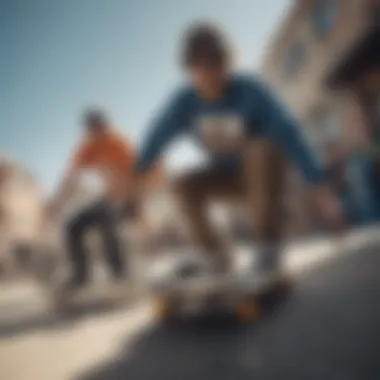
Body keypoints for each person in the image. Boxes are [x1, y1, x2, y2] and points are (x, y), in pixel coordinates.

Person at [133, 22, 342, 282]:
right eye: (200, 68)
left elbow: (289, 133)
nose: (209, 76)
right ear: (189, 70)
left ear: (227, 63)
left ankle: (268, 246)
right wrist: (136, 178)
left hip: (264, 178)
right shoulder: (184, 103)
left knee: (261, 147)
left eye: (215, 66)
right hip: (227, 179)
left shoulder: (250, 90)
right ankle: (216, 255)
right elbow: (157, 137)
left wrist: (320, 187)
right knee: (182, 181)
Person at [49, 109, 137, 292]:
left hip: (128, 200)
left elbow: (137, 174)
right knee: (72, 225)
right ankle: (80, 276)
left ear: (106, 126)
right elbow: (70, 176)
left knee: (108, 220)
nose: (97, 135)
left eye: (100, 130)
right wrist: (55, 202)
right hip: (105, 199)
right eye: (93, 132)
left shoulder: (119, 144)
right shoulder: (88, 147)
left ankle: (119, 274)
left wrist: (132, 200)